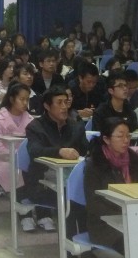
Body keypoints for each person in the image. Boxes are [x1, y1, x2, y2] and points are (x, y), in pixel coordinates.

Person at [83, 118, 138, 258]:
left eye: (128, 136)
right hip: (104, 223)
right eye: (120, 136)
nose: (126, 140)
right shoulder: (95, 164)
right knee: (136, 247)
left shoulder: (135, 160)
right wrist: (122, 213)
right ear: (106, 139)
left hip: (132, 218)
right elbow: (93, 203)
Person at [24, 86, 89, 234]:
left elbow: (86, 150)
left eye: (66, 102)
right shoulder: (35, 126)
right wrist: (59, 151)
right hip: (42, 182)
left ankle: (84, 238)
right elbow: (34, 151)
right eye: (59, 102)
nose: (64, 107)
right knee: (73, 200)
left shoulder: (76, 126)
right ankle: (72, 241)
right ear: (47, 106)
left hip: (72, 177)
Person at [0, 83, 34, 203]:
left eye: (27, 99)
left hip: (25, 159)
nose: (25, 103)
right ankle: (20, 203)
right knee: (16, 172)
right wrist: (17, 157)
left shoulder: (31, 120)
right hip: (3, 159)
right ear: (12, 99)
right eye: (21, 99)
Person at [91, 69, 138, 134]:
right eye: (120, 86)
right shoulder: (100, 112)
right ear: (111, 91)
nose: (125, 88)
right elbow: (98, 136)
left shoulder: (130, 111)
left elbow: (135, 132)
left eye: (125, 85)